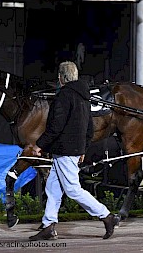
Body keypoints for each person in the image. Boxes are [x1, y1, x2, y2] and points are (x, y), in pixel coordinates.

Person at [28, 61, 119, 240]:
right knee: (53, 187)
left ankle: (107, 216)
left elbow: (55, 126)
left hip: (64, 149)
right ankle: (48, 225)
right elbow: (89, 129)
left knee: (72, 190)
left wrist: (39, 145)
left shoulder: (63, 96)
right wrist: (83, 148)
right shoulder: (84, 97)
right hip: (73, 149)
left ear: (61, 78)